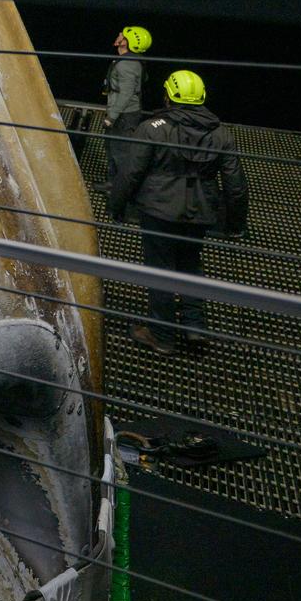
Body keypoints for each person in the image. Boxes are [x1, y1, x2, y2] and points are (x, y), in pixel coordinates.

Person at [105, 69, 248, 358]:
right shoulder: (221, 134)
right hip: (201, 212)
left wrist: (116, 206)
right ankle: (195, 327)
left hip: (158, 211)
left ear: (169, 95)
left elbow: (131, 173)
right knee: (191, 264)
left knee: (160, 270)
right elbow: (235, 184)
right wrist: (235, 223)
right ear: (202, 96)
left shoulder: (153, 127)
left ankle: (162, 335)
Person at [104, 25, 152, 130]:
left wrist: (111, 117)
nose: (119, 35)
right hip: (126, 114)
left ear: (126, 42)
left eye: (123, 35)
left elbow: (127, 92)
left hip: (124, 116)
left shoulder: (127, 63)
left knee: (116, 145)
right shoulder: (134, 61)